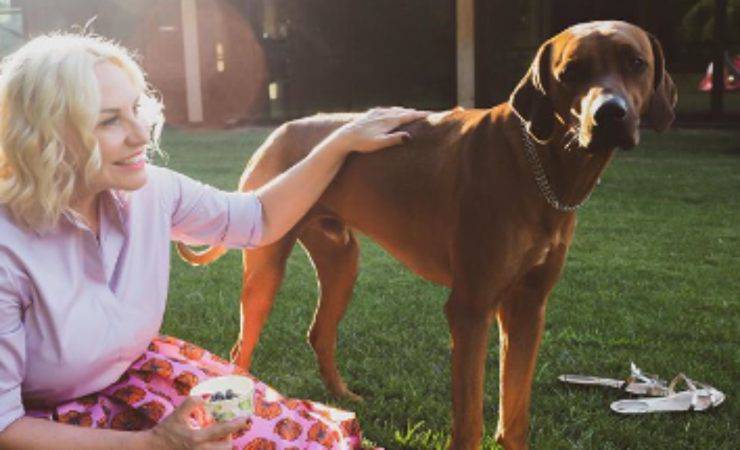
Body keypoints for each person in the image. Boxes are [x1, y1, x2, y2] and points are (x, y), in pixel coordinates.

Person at [0, 33, 426, 449]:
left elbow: (257, 219)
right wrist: (154, 444)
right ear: (44, 137)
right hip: (44, 429)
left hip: (135, 377)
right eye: (109, 120)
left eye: (136, 109)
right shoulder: (7, 249)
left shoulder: (151, 192)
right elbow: (5, 428)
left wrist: (339, 143)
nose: (141, 135)